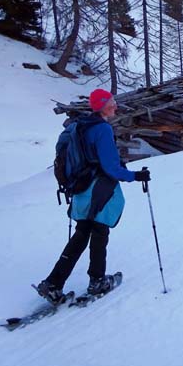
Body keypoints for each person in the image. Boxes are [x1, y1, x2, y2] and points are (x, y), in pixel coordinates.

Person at [36, 88, 151, 303]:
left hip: (80, 186)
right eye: (111, 102)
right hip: (97, 188)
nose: (115, 105)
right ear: (102, 106)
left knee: (82, 234)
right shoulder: (102, 129)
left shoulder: (81, 125)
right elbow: (110, 168)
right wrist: (136, 176)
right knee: (99, 231)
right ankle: (97, 281)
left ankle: (53, 283)